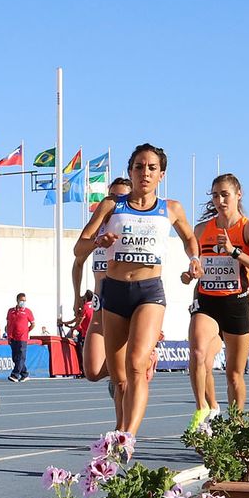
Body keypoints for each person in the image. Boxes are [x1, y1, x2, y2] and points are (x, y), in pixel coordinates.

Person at [75, 143, 200, 437]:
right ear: (130, 172)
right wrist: (98, 242)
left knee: (134, 365)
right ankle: (119, 428)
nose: (144, 173)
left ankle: (127, 436)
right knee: (118, 379)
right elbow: (78, 248)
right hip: (114, 292)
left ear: (162, 175)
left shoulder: (171, 208)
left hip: (149, 293)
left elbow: (189, 239)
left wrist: (194, 260)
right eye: (138, 167)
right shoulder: (111, 206)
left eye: (151, 168)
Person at [186, 173, 249, 426]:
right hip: (207, 300)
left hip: (236, 302)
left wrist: (235, 252)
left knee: (234, 375)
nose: (220, 200)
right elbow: (197, 265)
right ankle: (202, 408)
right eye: (215, 195)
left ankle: (236, 424)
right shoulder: (202, 230)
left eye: (225, 194)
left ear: (238, 195)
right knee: (199, 352)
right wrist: (190, 273)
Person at [71, 177, 134, 395]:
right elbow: (77, 262)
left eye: (122, 197)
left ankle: (132, 369)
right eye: (112, 197)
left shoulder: (133, 229)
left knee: (123, 379)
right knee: (92, 370)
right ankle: (123, 370)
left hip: (125, 304)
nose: (116, 202)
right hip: (100, 306)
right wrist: (77, 296)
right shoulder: (97, 230)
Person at [3, 292, 34, 380]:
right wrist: (8, 336)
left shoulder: (27, 311)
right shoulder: (11, 311)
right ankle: (25, 374)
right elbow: (8, 323)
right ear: (17, 300)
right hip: (13, 337)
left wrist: (27, 331)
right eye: (21, 300)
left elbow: (33, 324)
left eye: (24, 300)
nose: (23, 302)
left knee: (21, 356)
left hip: (22, 338)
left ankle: (15, 375)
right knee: (15, 357)